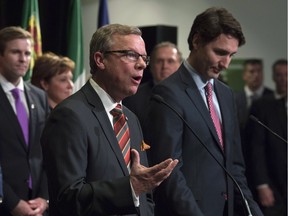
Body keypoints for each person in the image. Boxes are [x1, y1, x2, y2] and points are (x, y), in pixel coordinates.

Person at [40, 24, 178, 216]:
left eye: (144, 58)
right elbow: (67, 199)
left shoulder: (131, 118)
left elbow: (145, 196)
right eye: (131, 55)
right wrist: (130, 188)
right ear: (100, 59)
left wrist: (138, 189)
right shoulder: (69, 116)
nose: (141, 64)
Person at [143, 7, 263, 216]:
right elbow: (169, 173)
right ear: (197, 41)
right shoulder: (168, 94)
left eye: (231, 55)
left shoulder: (226, 94)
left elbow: (234, 167)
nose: (226, 64)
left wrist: (253, 212)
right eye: (220, 52)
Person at [0, 26, 49, 215]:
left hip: (37, 206)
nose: (23, 59)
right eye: (15, 52)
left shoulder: (39, 96)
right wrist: (11, 203)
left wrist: (44, 198)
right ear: (1, 55)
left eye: (27, 53)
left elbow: (47, 150)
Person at [248, 59, 287, 216]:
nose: (284, 79)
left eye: (287, 75)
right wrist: (262, 184)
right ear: (273, 77)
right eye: (280, 75)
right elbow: (256, 148)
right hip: (273, 184)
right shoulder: (262, 105)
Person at [123, 41, 182, 124]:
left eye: (170, 61)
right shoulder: (133, 97)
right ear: (151, 66)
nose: (165, 66)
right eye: (159, 61)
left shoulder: (190, 94)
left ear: (180, 65)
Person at [235, 59, 273, 165]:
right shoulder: (233, 99)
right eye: (252, 72)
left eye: (259, 71)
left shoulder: (274, 99)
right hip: (242, 161)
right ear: (244, 75)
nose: (256, 75)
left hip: (269, 162)